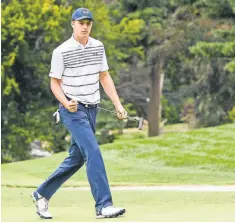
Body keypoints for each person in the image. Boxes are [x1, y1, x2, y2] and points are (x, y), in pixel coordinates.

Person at [31, 7, 128, 219]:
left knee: (76, 158)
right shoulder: (61, 51)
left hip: (92, 109)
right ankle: (103, 205)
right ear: (73, 24)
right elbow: (54, 84)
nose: (85, 26)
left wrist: (118, 105)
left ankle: (42, 193)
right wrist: (66, 103)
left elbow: (104, 77)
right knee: (93, 151)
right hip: (72, 110)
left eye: (88, 23)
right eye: (81, 23)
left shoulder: (98, 47)